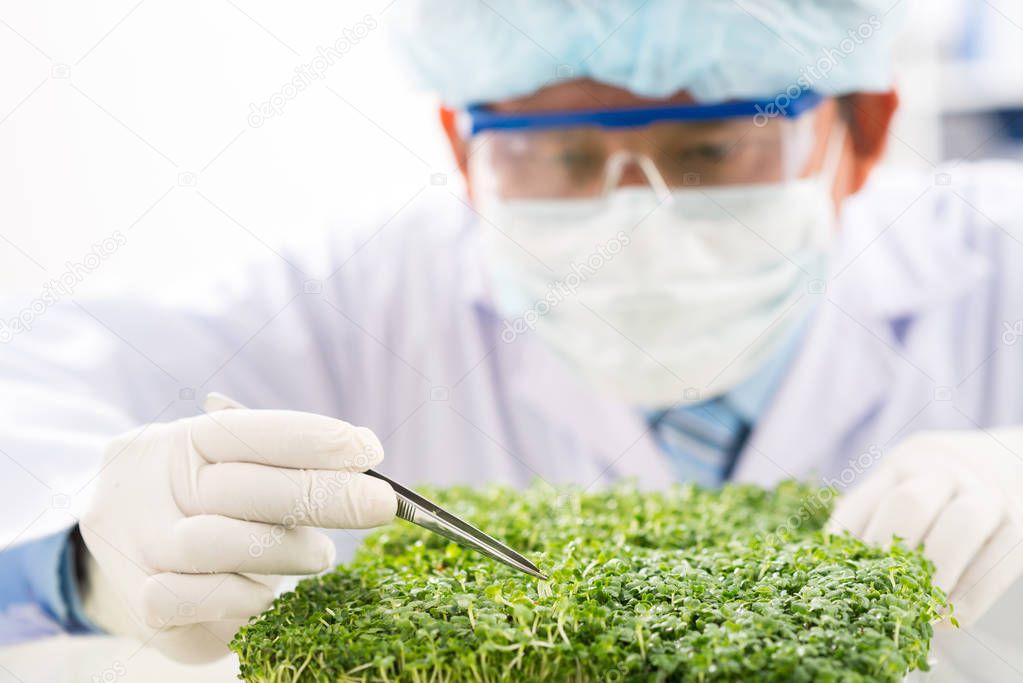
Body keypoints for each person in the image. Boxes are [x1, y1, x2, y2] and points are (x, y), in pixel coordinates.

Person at [2, 0, 1023, 666]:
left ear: (863, 134)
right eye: (564, 155)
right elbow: (32, 393)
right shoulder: (358, 295)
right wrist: (79, 551)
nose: (638, 218)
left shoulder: (1000, 259)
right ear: (463, 147)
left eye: (712, 144)